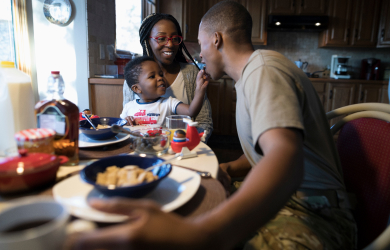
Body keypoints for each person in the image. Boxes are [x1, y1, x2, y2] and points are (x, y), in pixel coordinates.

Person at [65, 1, 357, 249]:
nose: (200, 54)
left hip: (314, 212)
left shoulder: (263, 71)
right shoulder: (249, 79)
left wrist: (202, 235)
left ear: (216, 39)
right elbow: (263, 156)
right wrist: (227, 168)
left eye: (202, 45)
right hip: (295, 200)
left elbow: (286, 161)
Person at [123, 13, 213, 140]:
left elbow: (204, 122)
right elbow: (126, 122)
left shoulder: (192, 73)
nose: (170, 44)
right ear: (148, 40)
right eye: (161, 38)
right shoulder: (133, 79)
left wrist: (192, 146)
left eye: (175, 38)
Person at [120, 56, 209, 127]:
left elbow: (191, 112)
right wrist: (126, 122)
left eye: (161, 74)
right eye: (152, 76)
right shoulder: (129, 107)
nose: (160, 78)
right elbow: (119, 127)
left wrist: (200, 90)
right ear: (137, 89)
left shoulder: (169, 103)